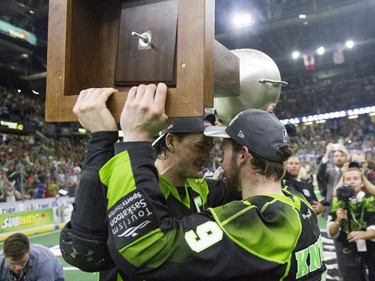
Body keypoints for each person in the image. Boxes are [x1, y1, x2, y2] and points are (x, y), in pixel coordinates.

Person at [96, 83, 326, 280]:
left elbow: (144, 251)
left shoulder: (264, 221)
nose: (216, 160)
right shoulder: (298, 202)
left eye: (224, 151)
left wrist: (135, 138)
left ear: (243, 155)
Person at [59, 88, 239, 280]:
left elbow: (251, 186)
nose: (207, 156)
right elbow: (82, 252)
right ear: (170, 141)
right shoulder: (125, 184)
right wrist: (101, 139)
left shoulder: (200, 188)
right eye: (201, 146)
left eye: (211, 148)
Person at [327, 166, 375, 281]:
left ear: (362, 183)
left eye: (355, 178)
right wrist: (338, 220)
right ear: (342, 183)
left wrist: (361, 235)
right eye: (347, 179)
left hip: (370, 246)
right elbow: (331, 232)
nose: (352, 181)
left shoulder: (370, 200)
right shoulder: (337, 201)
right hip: (347, 247)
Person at [0, 232, 64, 281]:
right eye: (13, 263)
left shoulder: (43, 261)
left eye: (22, 262)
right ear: (4, 255)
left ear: (28, 252)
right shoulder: (0, 261)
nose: (18, 268)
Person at [317, 142, 349, 216]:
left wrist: (346, 152)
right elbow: (320, 172)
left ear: (346, 158)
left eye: (342, 155)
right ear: (333, 159)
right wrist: (327, 153)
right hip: (331, 208)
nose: (339, 158)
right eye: (336, 156)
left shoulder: (351, 171)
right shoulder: (329, 172)